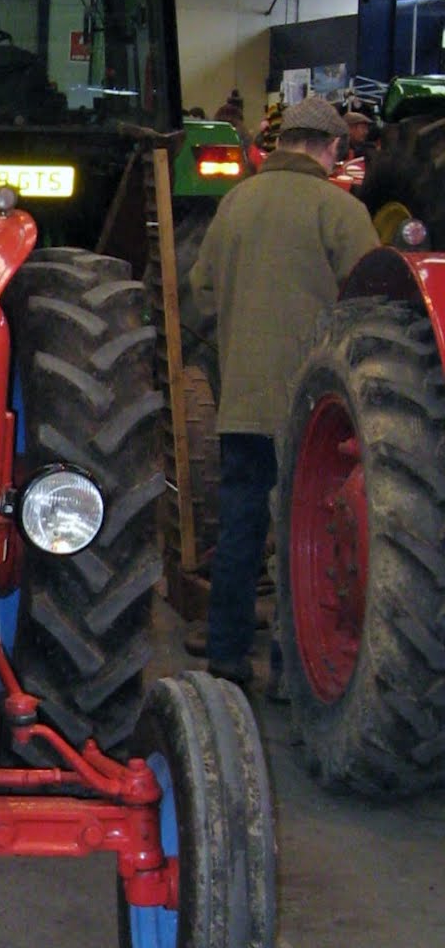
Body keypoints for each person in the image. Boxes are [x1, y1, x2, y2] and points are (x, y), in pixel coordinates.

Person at [182, 92, 378, 690]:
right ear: (330, 147)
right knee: (306, 540)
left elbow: (203, 292)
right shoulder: (337, 209)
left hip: (241, 401)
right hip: (313, 411)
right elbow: (373, 299)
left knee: (241, 526)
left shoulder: (236, 203)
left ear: (281, 141)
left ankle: (226, 654)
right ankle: (290, 669)